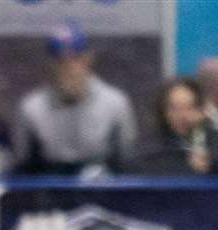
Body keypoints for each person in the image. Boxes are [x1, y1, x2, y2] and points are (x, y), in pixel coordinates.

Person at [12, 20, 137, 177]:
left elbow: (126, 162)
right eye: (61, 61)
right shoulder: (31, 107)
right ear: (51, 64)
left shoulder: (115, 103)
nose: (70, 67)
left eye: (76, 58)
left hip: (102, 187)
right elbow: (22, 167)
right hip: (48, 188)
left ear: (88, 59)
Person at [128, 77, 218, 177]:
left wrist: (211, 166)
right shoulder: (148, 148)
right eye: (174, 109)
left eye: (189, 107)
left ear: (202, 109)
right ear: (163, 112)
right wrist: (188, 169)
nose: (182, 116)